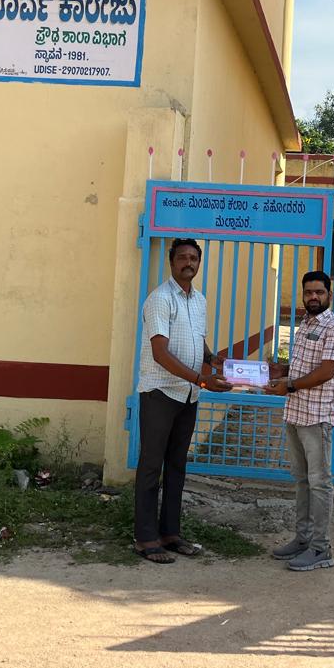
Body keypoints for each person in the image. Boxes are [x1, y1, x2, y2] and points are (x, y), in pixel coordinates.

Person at [133, 238, 232, 563]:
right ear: (172, 262)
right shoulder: (160, 299)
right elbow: (161, 353)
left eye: (194, 258)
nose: (188, 263)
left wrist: (213, 360)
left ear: (198, 264)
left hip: (188, 395)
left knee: (177, 466)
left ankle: (170, 533)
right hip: (161, 392)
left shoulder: (198, 300)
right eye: (182, 258)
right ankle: (145, 538)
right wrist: (201, 378)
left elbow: (196, 341)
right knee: (151, 466)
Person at [265, 269, 334, 571]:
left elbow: (326, 370)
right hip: (295, 413)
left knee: (319, 483)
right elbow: (302, 368)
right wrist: (281, 371)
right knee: (301, 480)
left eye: (319, 292)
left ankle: (321, 548)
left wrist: (288, 384)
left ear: (329, 294)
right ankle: (302, 539)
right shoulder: (305, 324)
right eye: (308, 292)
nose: (313, 297)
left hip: (316, 417)